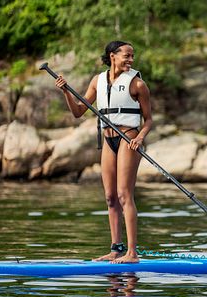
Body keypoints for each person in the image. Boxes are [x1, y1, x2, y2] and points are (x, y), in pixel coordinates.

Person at [53, 41, 153, 263]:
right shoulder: (98, 81)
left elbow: (148, 120)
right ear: (112, 56)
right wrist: (66, 92)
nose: (131, 59)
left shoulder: (138, 84)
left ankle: (132, 253)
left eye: (132, 56)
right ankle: (116, 249)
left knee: (124, 195)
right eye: (127, 55)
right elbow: (79, 112)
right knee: (110, 198)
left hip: (128, 140)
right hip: (108, 141)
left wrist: (139, 138)